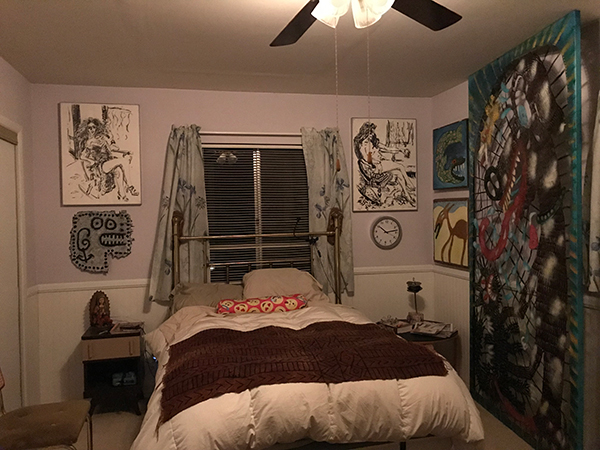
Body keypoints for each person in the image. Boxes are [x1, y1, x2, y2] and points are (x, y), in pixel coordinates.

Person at [353, 122, 415, 208]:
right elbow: (367, 159)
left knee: (398, 171)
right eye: (371, 132)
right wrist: (377, 160)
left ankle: (406, 193)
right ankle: (409, 186)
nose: (372, 134)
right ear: (366, 132)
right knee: (399, 167)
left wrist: (399, 150)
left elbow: (385, 148)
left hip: (375, 164)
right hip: (370, 169)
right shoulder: (362, 144)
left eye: (372, 133)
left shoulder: (370, 141)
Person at [75, 117, 139, 201]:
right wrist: (91, 161)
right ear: (86, 129)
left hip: (107, 162)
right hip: (100, 165)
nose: (92, 130)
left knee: (118, 171)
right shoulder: (89, 142)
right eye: (90, 128)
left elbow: (111, 149)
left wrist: (124, 151)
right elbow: (82, 156)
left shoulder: (101, 139)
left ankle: (122, 194)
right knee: (123, 161)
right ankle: (130, 187)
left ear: (97, 128)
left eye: (94, 127)